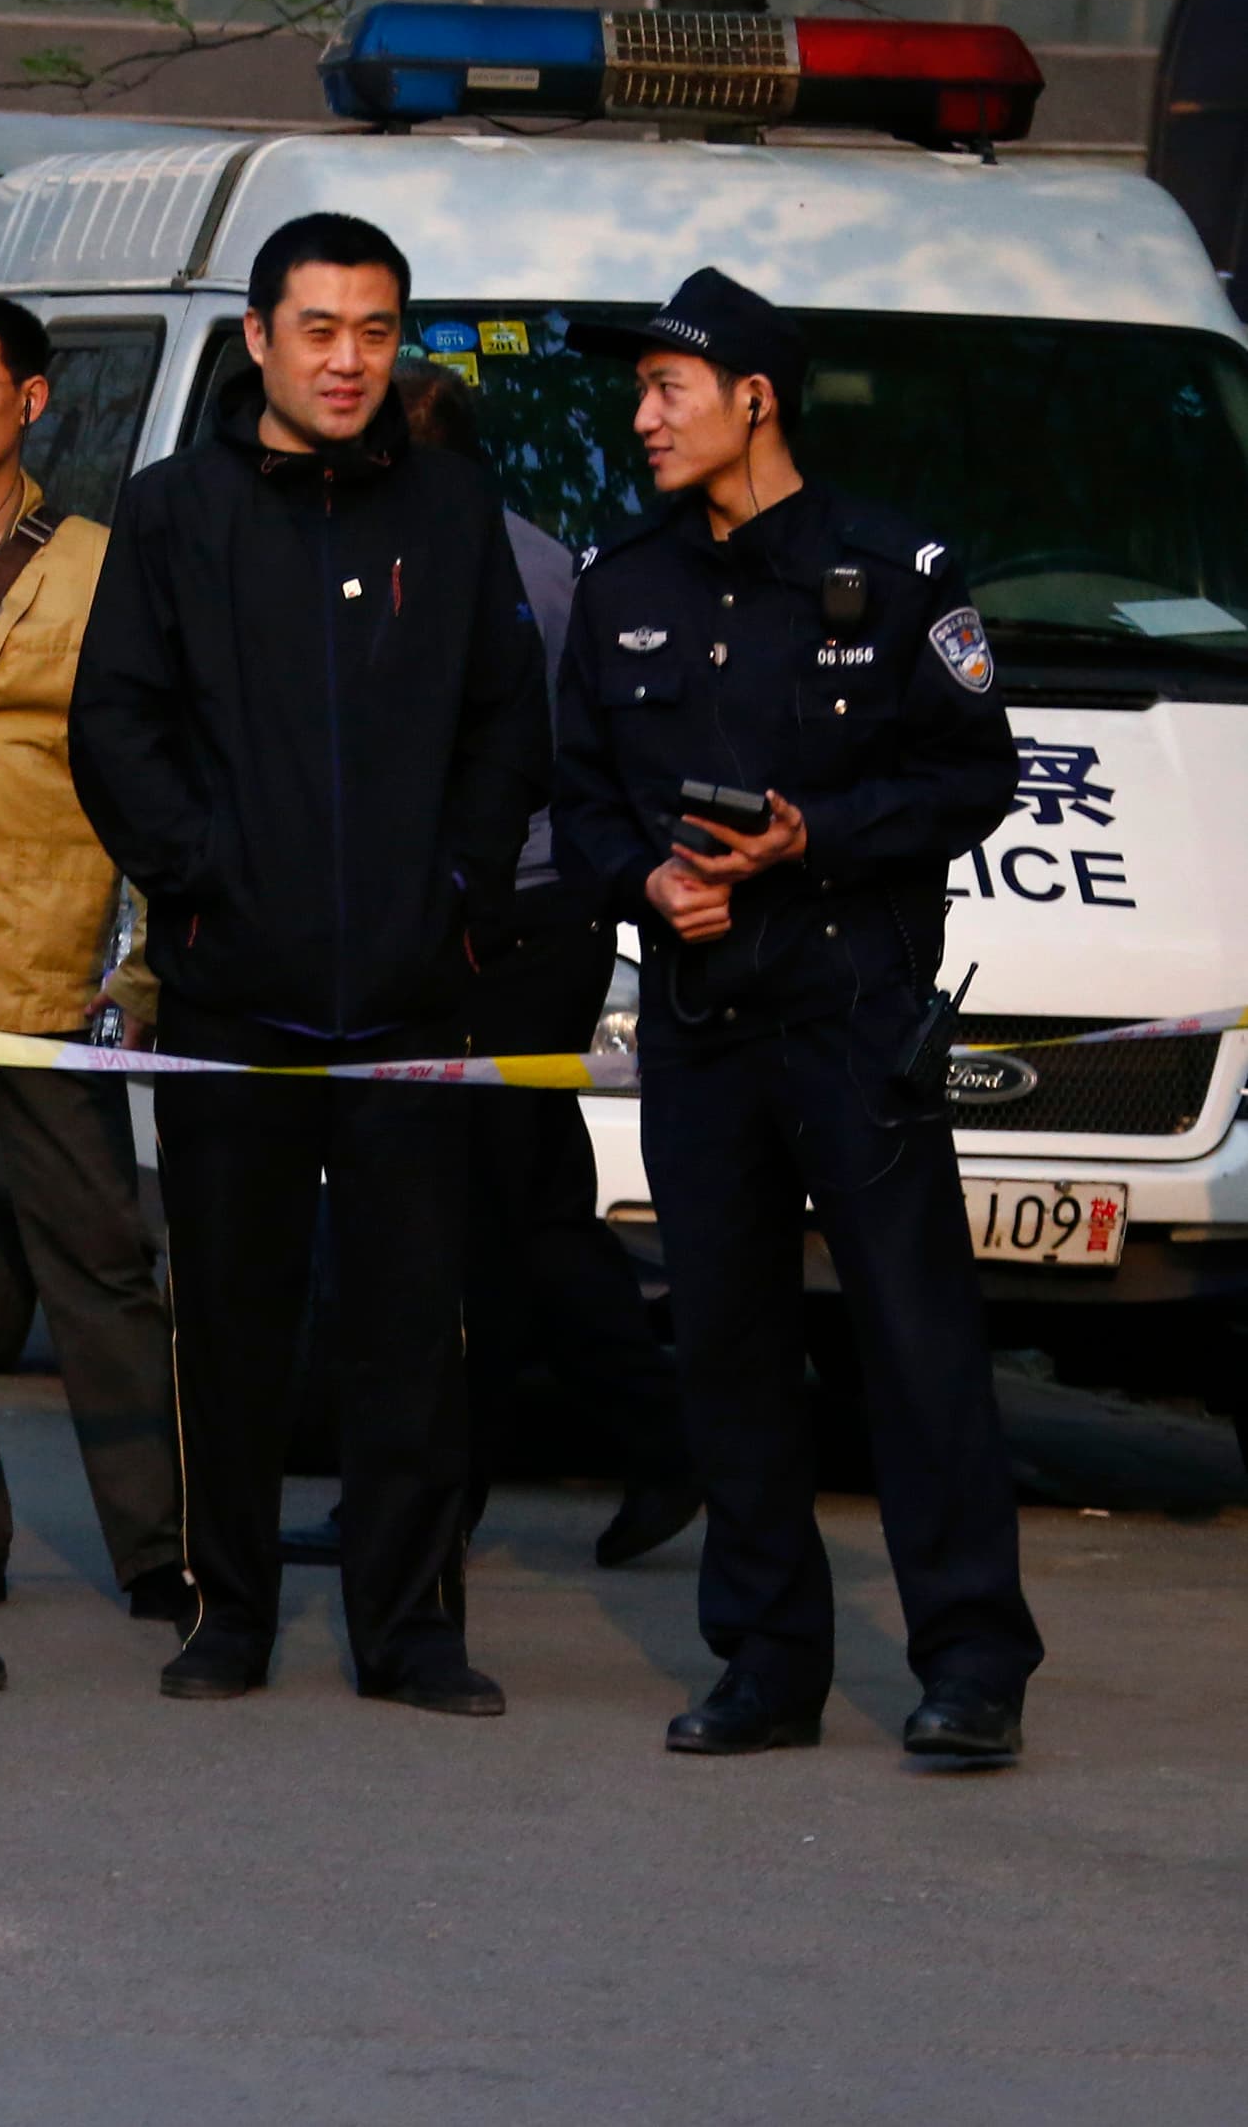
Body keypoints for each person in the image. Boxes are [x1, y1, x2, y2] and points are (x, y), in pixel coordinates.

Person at [553, 268, 1042, 1762]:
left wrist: (806, 840)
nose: (640, 417)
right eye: (637, 392)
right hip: (702, 1024)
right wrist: (650, 883)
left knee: (914, 1340)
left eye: (667, 390)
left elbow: (974, 778)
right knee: (730, 1345)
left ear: (753, 397)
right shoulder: (622, 586)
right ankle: (767, 1658)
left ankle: (971, 1660)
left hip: (854, 1014)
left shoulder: (896, 570)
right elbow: (577, 808)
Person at [68, 210, 547, 1717]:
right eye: (321, 329)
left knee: (413, 1327)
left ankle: (412, 1628)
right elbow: (116, 728)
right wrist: (203, 882)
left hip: (414, 994)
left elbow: (504, 723)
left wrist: (459, 887)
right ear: (261, 337)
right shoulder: (171, 512)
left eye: (378, 330)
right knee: (232, 1320)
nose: (350, 360)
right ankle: (228, 1613)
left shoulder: (454, 512)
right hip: (236, 993)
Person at [278, 367, 701, 1576]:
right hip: (540, 914)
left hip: (483, 920)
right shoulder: (545, 557)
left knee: (436, 1215)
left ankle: (447, 1488)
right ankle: (602, 1449)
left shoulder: (461, 565)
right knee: (524, 1206)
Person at [0, 293, 188, 1625]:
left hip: (46, 954)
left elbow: (148, 773)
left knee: (102, 1257)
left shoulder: (101, 566)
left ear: (33, 401)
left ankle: (158, 1542)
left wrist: (138, 972)